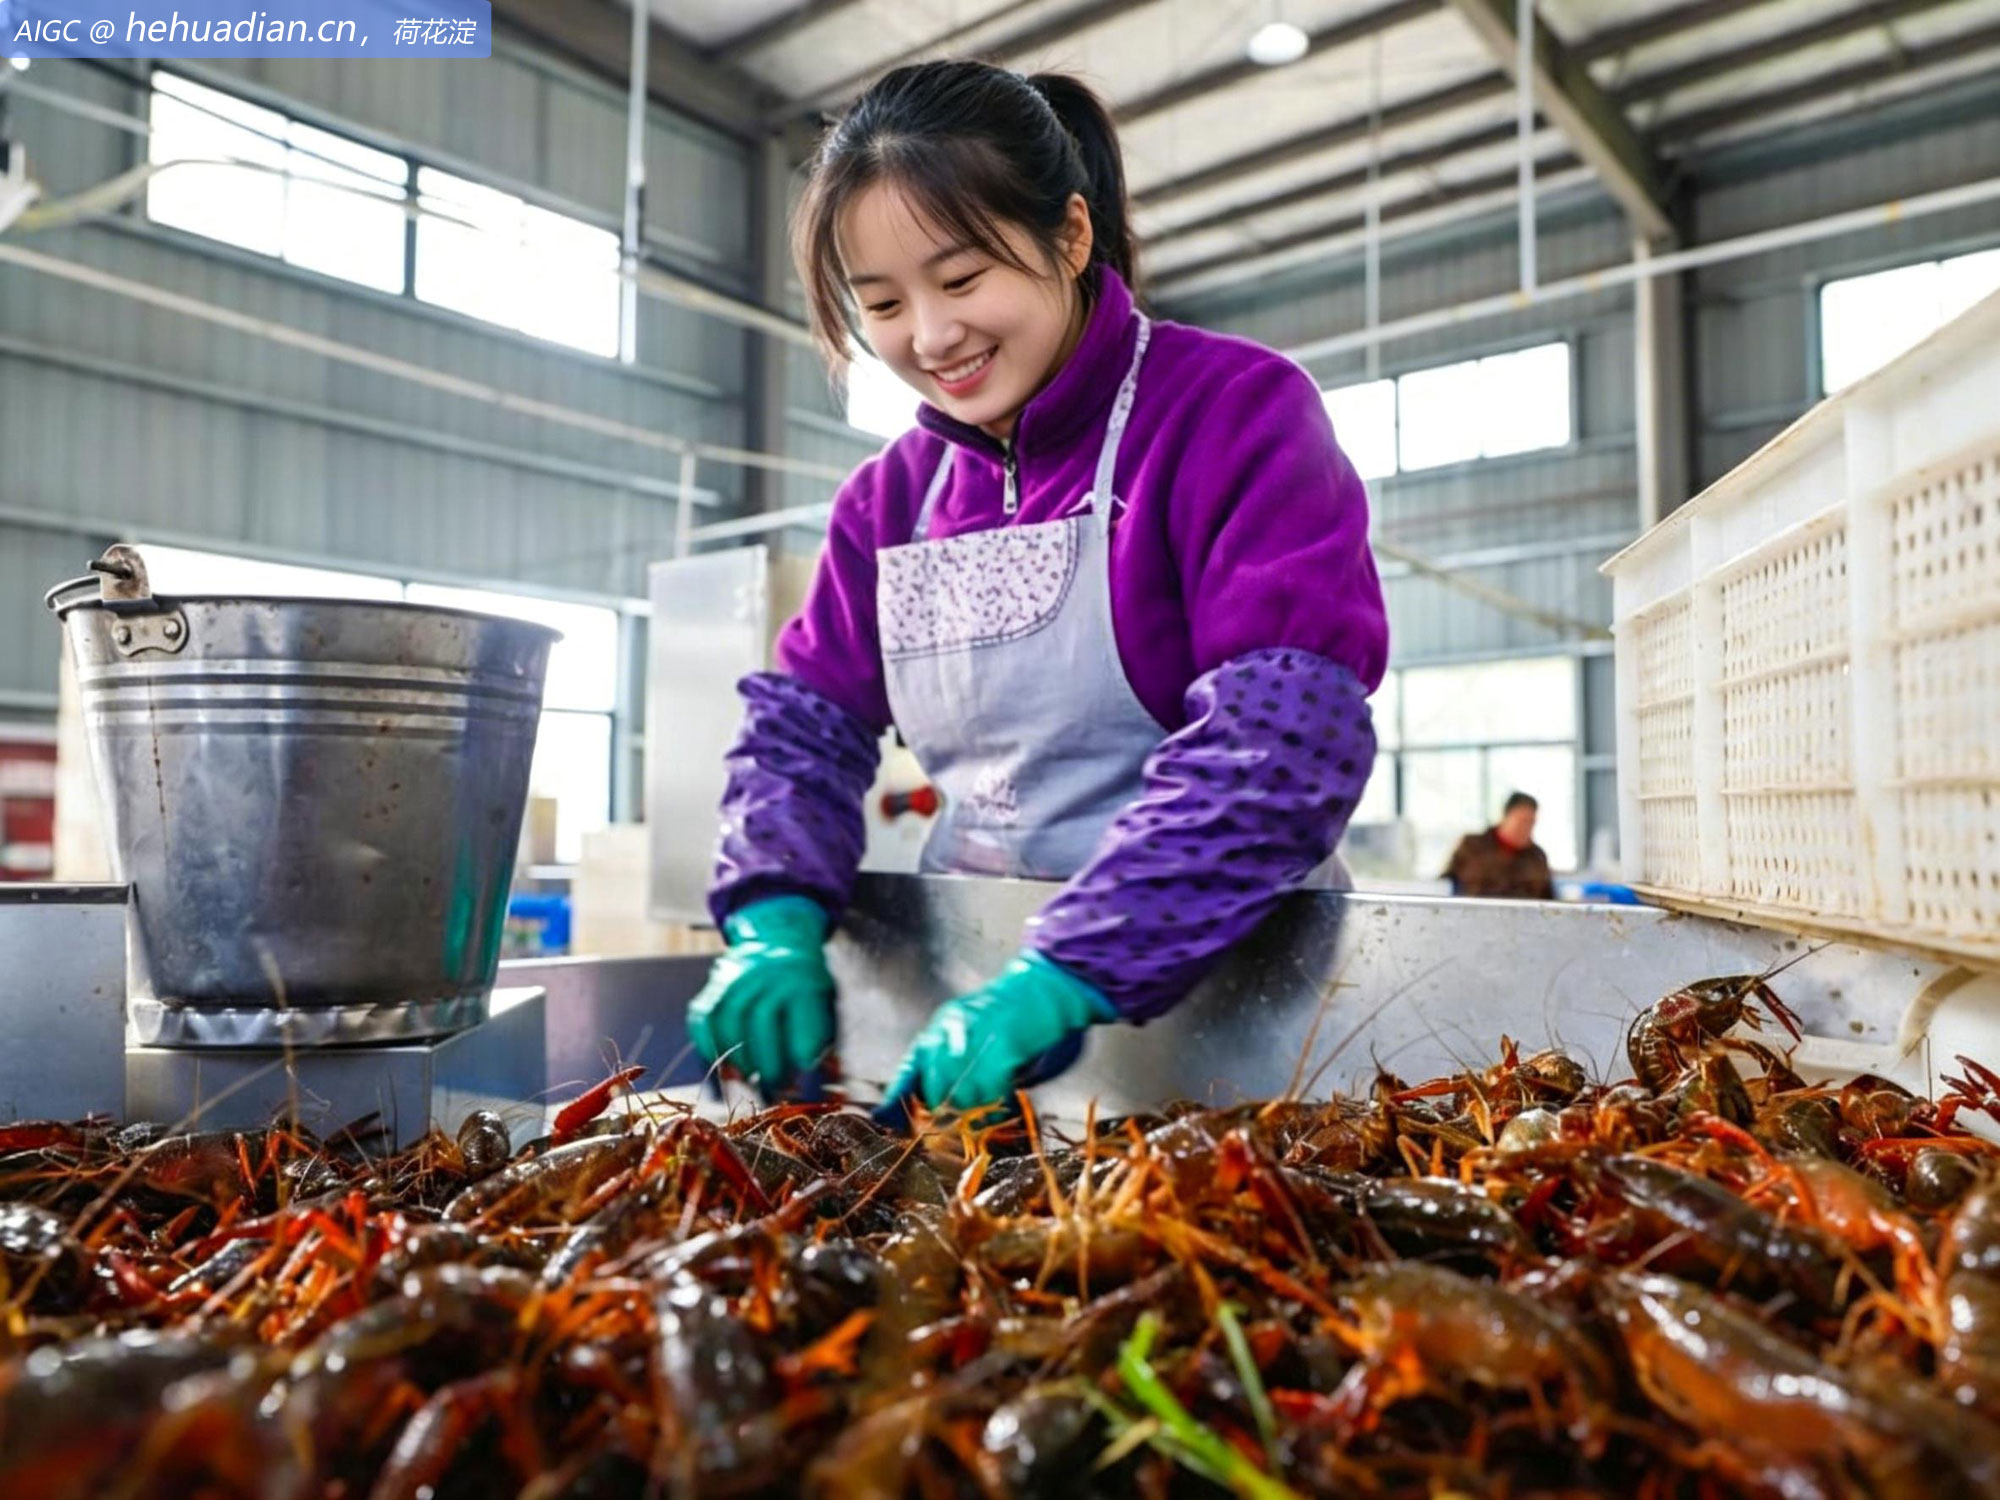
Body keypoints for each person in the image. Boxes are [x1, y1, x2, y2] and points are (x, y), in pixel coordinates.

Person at [686, 60, 1388, 1113]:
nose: (930, 337)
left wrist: (1069, 970)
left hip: (1238, 1026)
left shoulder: (1230, 415)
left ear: (1067, 237)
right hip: (971, 1030)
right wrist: (769, 912)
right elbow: (801, 730)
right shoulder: (888, 501)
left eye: (962, 281)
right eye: (881, 302)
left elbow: (1282, 739)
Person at [1443, 792, 1555, 900]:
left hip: (1524, 918)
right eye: (1522, 821)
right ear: (1505, 817)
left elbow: (1549, 901)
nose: (1526, 828)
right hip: (1475, 915)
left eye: (1531, 823)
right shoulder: (1472, 847)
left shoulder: (1537, 857)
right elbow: (1443, 886)